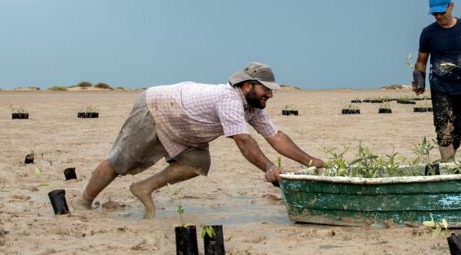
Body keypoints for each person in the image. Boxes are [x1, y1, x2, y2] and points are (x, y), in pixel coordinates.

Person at [77, 62, 325, 216]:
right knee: (120, 162)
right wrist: (269, 167)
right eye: (265, 88)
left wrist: (311, 161)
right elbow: (243, 140)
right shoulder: (229, 99)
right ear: (247, 85)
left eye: (271, 90)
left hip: (185, 127)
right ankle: (84, 201)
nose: (270, 94)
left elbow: (276, 136)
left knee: (197, 164)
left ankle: (143, 188)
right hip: (157, 108)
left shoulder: (254, 107)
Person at [412, 0, 461, 161]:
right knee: (443, 129)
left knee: (457, 130)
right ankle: (448, 165)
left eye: (441, 12)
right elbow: (421, 61)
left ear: (451, 6)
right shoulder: (428, 33)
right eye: (434, 14)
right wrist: (419, 80)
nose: (438, 16)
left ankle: (449, 161)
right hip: (440, 87)